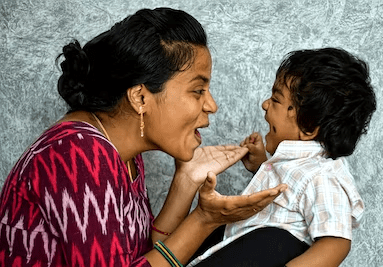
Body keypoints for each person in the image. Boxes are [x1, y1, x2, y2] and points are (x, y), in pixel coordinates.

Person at [0, 7, 287, 267]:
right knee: (274, 243)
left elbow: (145, 254)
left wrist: (185, 182)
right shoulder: (76, 153)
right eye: (198, 90)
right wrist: (203, 220)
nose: (212, 105)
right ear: (140, 97)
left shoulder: (120, 151)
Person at [188, 47, 377, 267]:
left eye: (275, 99)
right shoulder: (297, 167)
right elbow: (283, 204)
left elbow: (336, 242)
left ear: (308, 125)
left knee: (272, 240)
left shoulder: (324, 176)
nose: (265, 104)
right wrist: (260, 166)